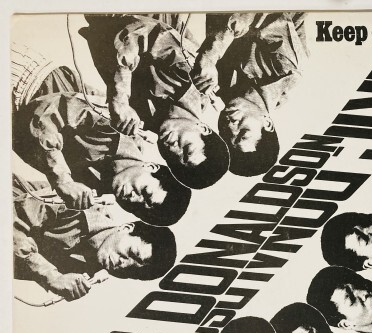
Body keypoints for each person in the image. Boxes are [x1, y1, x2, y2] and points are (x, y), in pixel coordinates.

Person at [81, 14, 229, 189]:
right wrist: (119, 98)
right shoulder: (193, 77)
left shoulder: (143, 122)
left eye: (173, 159)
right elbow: (137, 32)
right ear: (203, 129)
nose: (173, 149)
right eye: (187, 149)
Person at [13, 91, 192, 226]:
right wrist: (62, 179)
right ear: (151, 167)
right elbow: (47, 111)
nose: (133, 199)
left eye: (138, 209)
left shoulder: (95, 188)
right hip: (20, 84)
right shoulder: (119, 129)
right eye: (145, 192)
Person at [13, 175, 177, 302]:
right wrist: (51, 276)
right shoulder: (79, 207)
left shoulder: (84, 271)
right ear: (126, 228)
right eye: (132, 253)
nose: (123, 264)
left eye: (131, 271)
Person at [192, 13, 309, 176]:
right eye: (243, 132)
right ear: (267, 123)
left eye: (225, 134)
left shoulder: (222, 90)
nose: (230, 125)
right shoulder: (285, 67)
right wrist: (210, 55)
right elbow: (262, 11)